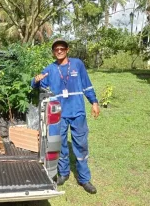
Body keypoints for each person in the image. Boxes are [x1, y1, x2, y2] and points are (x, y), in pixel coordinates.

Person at [31, 39, 100, 194]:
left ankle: (84, 179)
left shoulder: (77, 64)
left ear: (67, 49)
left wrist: (94, 102)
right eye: (56, 49)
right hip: (60, 113)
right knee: (61, 144)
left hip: (77, 112)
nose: (59, 51)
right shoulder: (50, 68)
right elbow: (36, 83)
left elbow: (87, 84)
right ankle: (64, 173)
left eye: (62, 48)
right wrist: (35, 80)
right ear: (53, 52)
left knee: (81, 145)